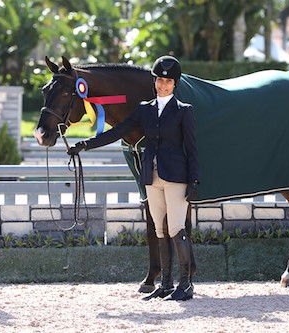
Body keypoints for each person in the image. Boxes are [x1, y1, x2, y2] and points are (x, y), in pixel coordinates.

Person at [67, 55, 199, 301]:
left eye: (168, 81)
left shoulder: (184, 111)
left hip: (176, 177)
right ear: (155, 81)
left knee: (176, 228)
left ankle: (186, 284)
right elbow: (117, 131)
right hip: (152, 177)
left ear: (175, 84)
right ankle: (166, 284)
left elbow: (192, 149)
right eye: (159, 80)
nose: (163, 84)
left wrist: (194, 181)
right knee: (160, 229)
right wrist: (85, 144)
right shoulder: (144, 110)